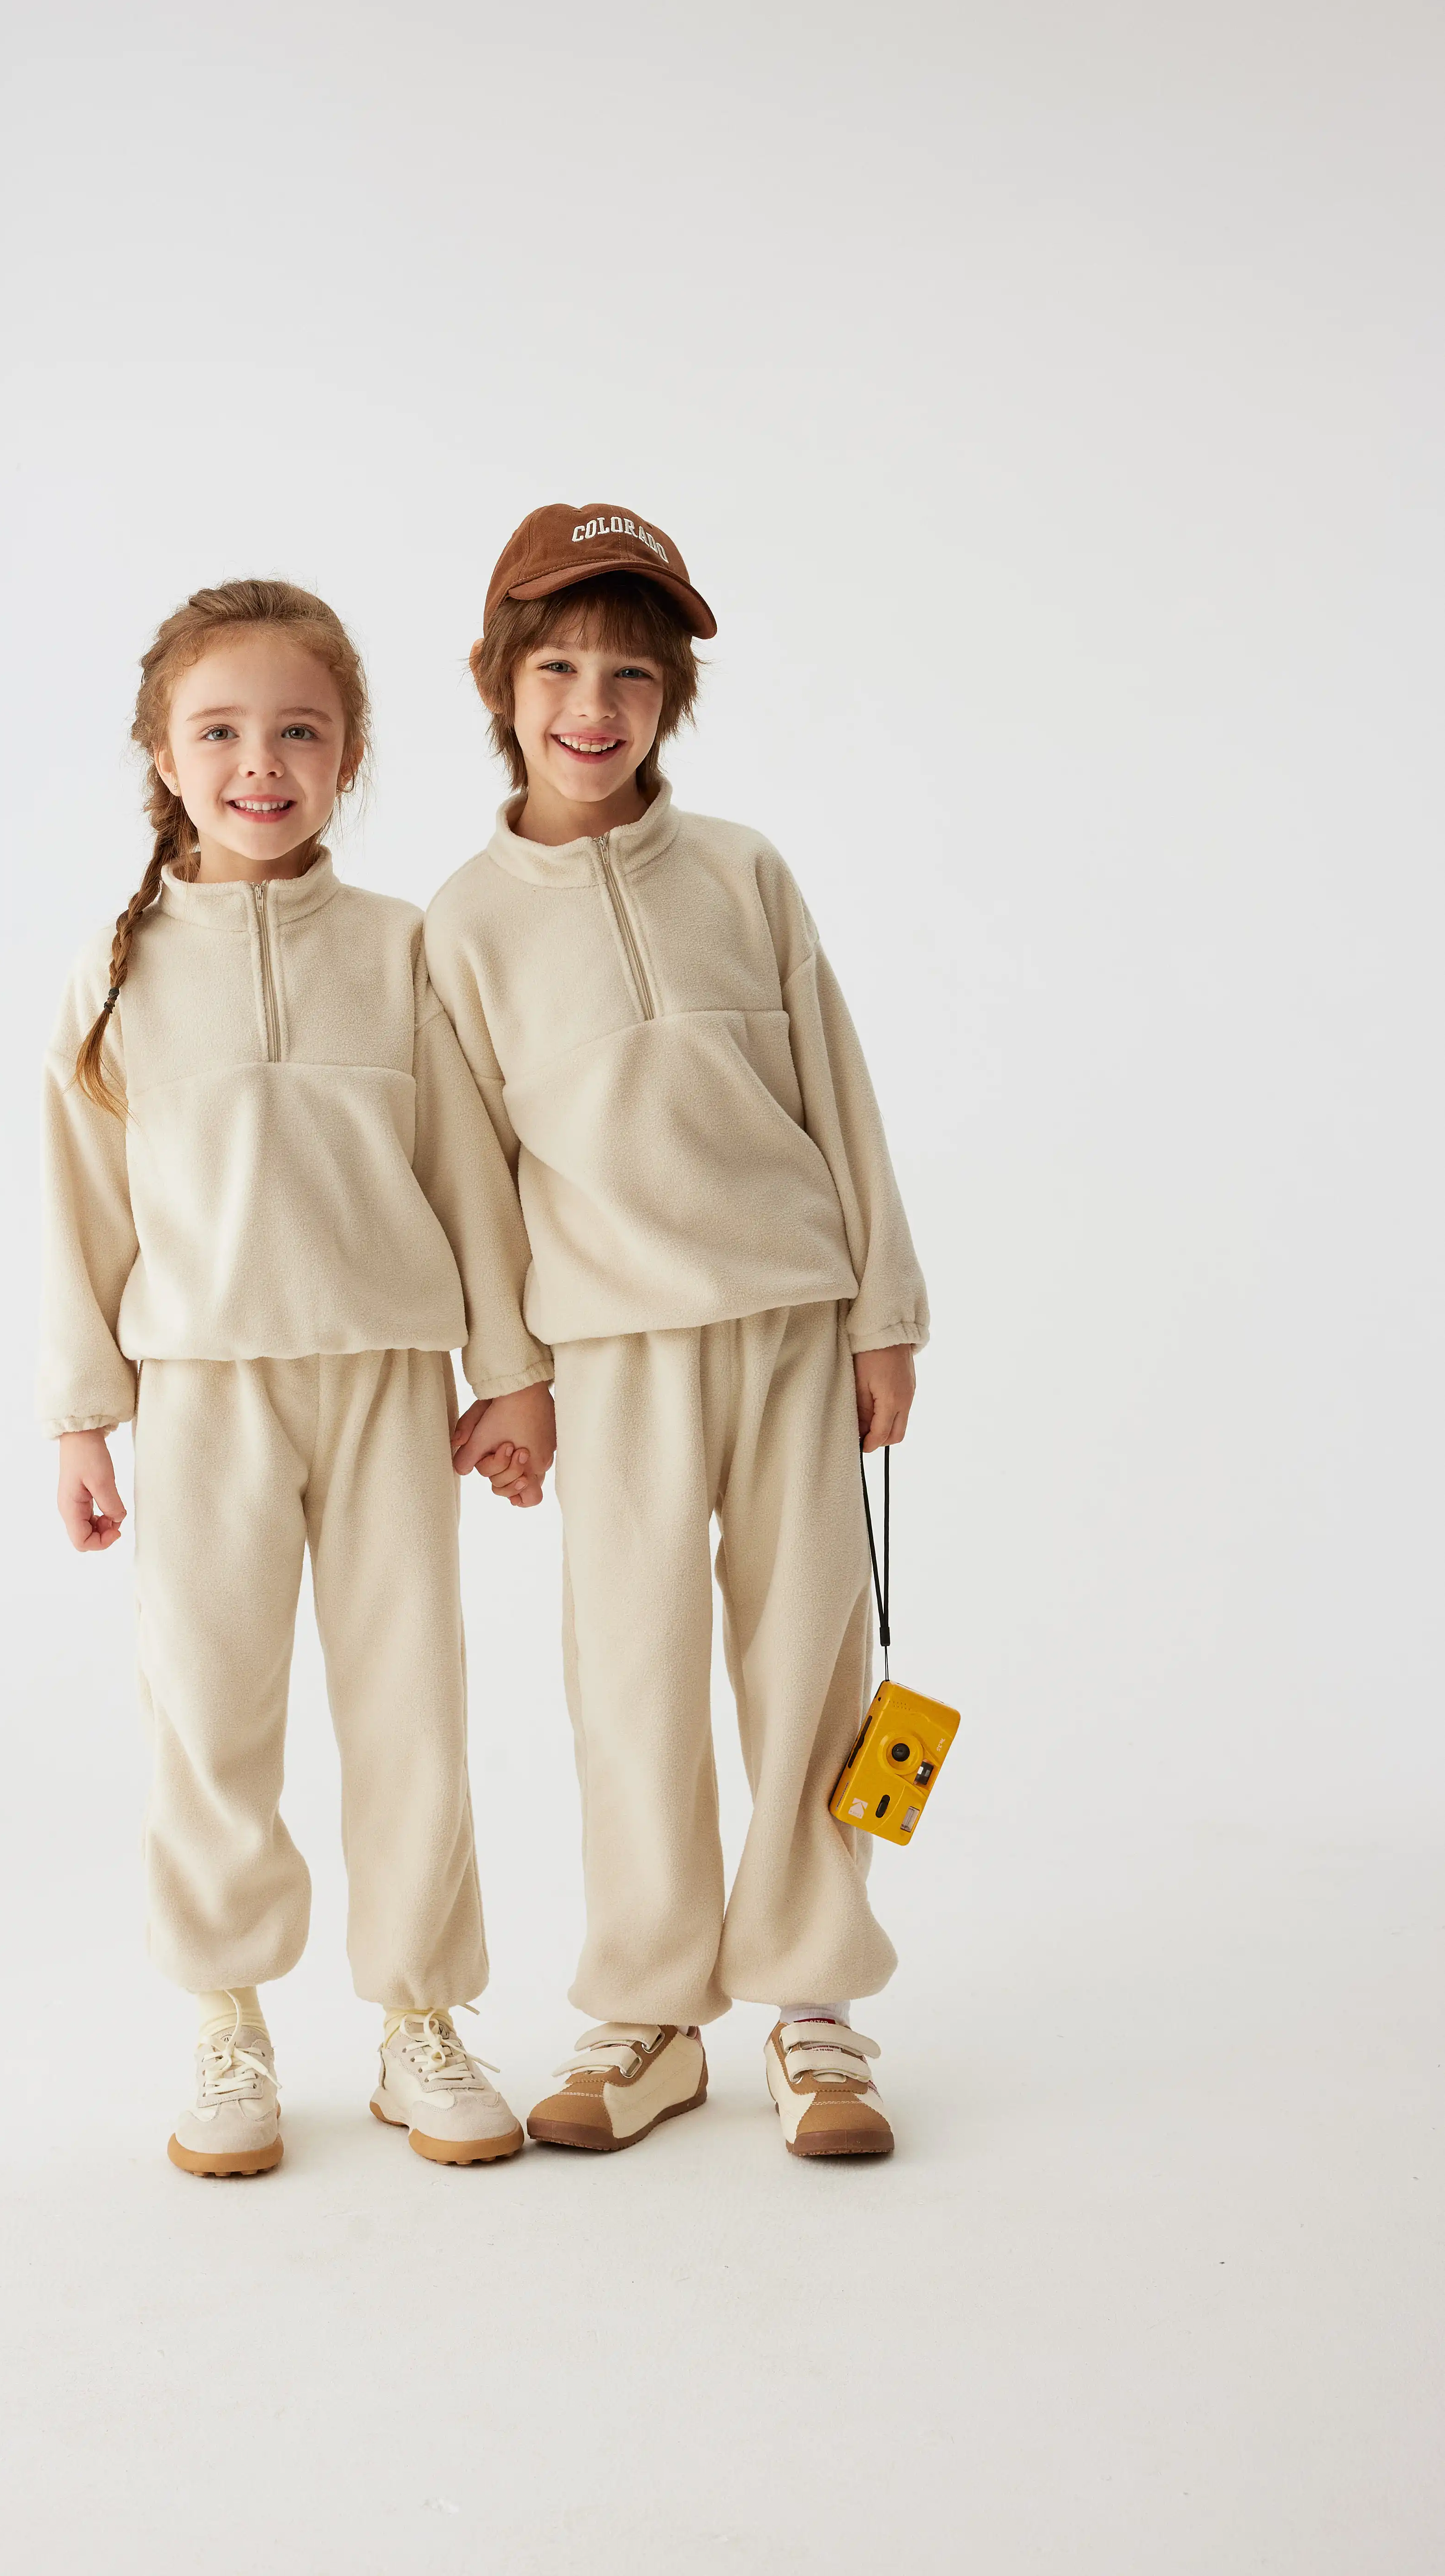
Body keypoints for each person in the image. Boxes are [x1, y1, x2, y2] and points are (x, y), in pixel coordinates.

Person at [426, 506, 929, 2158]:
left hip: (792, 1323)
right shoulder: (463, 926)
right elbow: (473, 1177)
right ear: (500, 684)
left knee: (811, 1668)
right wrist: (511, 1377)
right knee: (631, 1678)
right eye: (560, 670)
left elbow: (841, 1092)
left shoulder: (743, 871)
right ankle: (649, 2010)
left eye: (632, 676)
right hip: (613, 1355)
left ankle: (814, 2003)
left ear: (673, 698)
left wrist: (884, 1313)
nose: (594, 706)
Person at [39, 579, 554, 2176]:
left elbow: (469, 1173)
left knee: (413, 1704)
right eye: (219, 732)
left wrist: (510, 1370)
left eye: (300, 732)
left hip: (389, 1382)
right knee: (210, 1716)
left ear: (350, 755)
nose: (260, 763)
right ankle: (227, 2019)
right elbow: (81, 1208)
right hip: (202, 1396)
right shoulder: (118, 969)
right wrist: (83, 1418)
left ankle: (421, 2018)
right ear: (164, 755)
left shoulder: (404, 950)